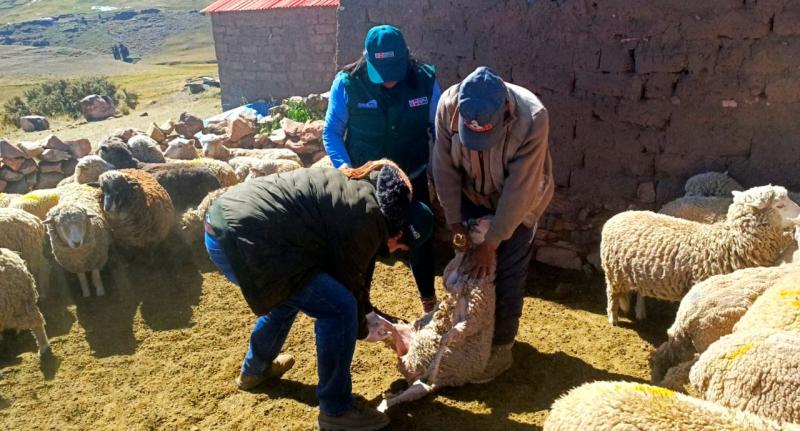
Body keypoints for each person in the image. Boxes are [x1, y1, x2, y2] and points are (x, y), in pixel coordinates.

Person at [204, 161, 433, 431]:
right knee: (338, 308)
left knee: (289, 295)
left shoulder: (365, 196)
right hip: (246, 242)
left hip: (224, 224)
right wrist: (366, 328)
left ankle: (256, 369)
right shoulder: (366, 222)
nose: (395, 252)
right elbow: (348, 285)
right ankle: (336, 410)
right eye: (400, 247)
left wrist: (374, 317)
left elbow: (356, 275)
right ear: (399, 232)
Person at [432, 66, 554, 383]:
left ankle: (501, 345)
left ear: (504, 115)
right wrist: (456, 222)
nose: (476, 144)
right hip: (473, 190)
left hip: (521, 195)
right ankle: (472, 331)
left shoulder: (532, 118)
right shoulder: (446, 107)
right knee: (469, 265)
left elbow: (520, 190)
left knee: (508, 266)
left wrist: (492, 241)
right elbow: (444, 168)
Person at [323, 24, 442, 313]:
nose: (389, 82)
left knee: (421, 238)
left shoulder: (426, 81)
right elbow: (332, 133)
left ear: (406, 58)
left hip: (412, 178)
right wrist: (347, 173)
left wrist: (440, 173)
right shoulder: (348, 83)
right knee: (364, 245)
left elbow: (439, 131)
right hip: (366, 183)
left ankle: (429, 300)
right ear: (367, 59)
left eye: (394, 72)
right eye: (381, 73)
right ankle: (359, 304)